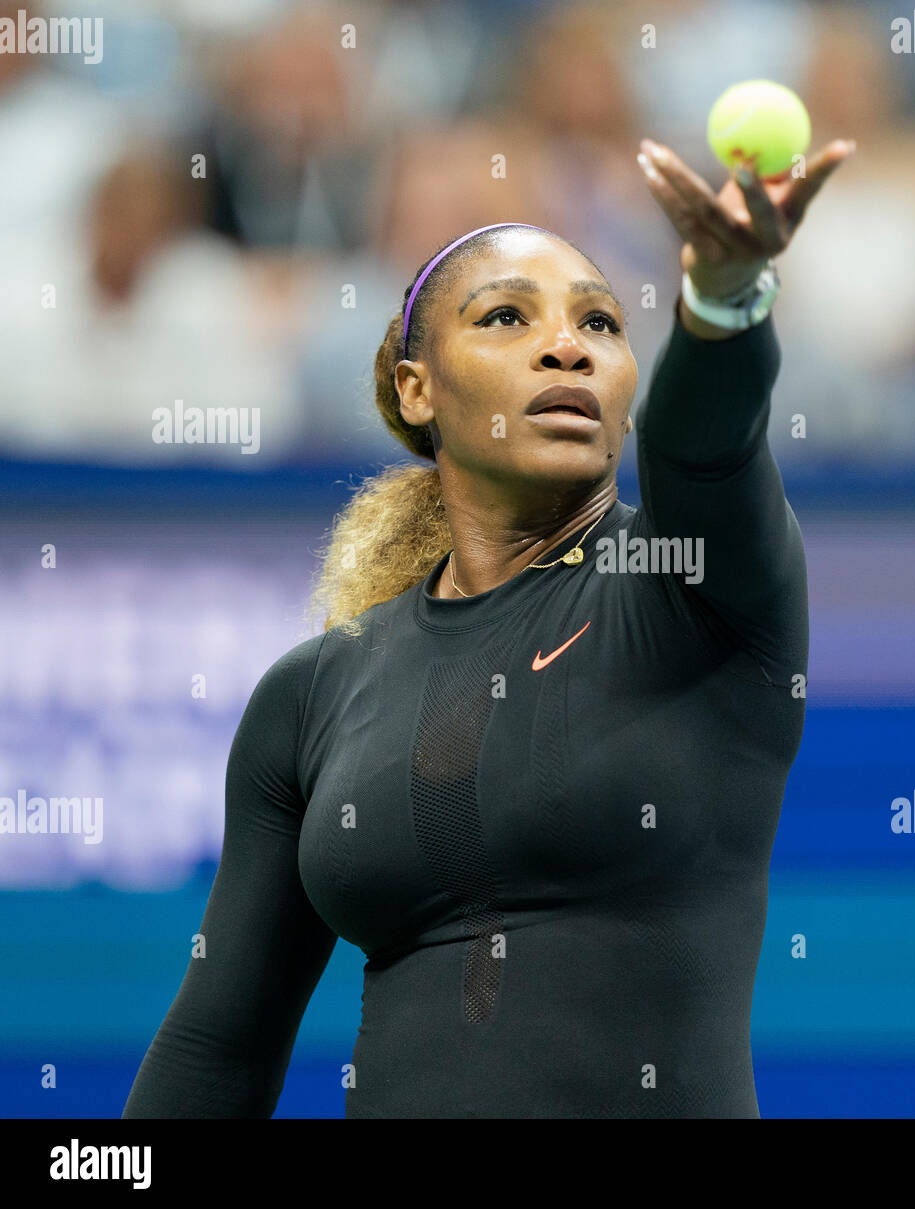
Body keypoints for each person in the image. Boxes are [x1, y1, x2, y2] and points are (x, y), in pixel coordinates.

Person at [122, 133, 855, 1117]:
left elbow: (706, 446)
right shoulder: (311, 695)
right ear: (417, 387)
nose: (568, 346)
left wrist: (721, 298)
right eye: (506, 317)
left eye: (601, 324)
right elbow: (219, 1046)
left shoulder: (689, 586)